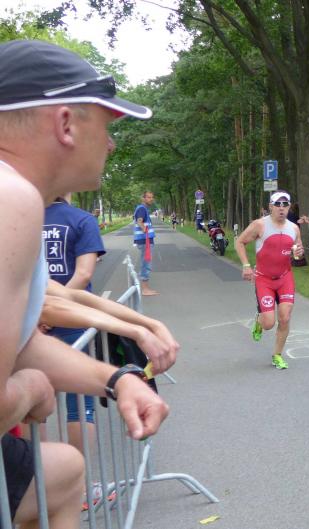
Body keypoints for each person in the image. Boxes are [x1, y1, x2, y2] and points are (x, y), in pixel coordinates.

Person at [0, 38, 170, 529]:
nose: (112, 144)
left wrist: (116, 380)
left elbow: (20, 341)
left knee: (61, 472)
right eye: (107, 124)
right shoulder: (11, 198)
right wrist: (31, 388)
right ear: (66, 124)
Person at [42, 193, 106, 454]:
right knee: (79, 403)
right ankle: (79, 476)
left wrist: (40, 313)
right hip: (73, 322)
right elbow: (84, 273)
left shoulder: (22, 217)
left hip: (31, 325)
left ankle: (39, 474)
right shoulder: (83, 220)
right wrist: (58, 310)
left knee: (33, 403)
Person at [235, 190, 304, 370]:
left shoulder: (294, 228)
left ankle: (277, 355)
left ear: (289, 207)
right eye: (277, 204)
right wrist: (246, 265)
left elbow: (298, 251)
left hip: (285, 278)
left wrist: (298, 252)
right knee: (268, 323)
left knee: (285, 317)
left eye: (285, 204)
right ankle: (259, 321)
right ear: (270, 207)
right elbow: (240, 242)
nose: (281, 208)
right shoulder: (259, 225)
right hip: (264, 279)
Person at [134, 191, 158, 296]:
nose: (151, 199)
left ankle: (146, 288)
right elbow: (139, 221)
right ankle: (144, 289)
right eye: (148, 197)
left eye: (152, 197)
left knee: (146, 262)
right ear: (143, 198)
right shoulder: (142, 209)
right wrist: (145, 230)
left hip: (146, 240)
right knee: (146, 263)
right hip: (145, 240)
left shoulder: (143, 209)